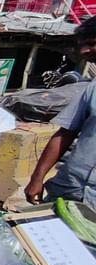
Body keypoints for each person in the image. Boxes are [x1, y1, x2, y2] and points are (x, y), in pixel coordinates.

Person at [25, 17, 96, 208]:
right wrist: (37, 178)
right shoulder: (92, 88)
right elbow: (66, 132)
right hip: (71, 184)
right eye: (82, 45)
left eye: (91, 44)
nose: (84, 52)